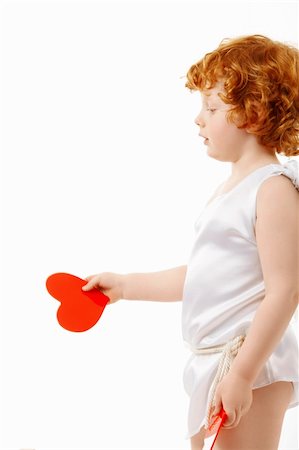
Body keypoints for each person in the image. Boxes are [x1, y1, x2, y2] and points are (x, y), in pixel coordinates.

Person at [82, 34, 299, 450]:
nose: (199, 119)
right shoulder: (233, 189)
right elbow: (202, 277)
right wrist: (126, 286)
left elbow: (285, 291)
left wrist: (242, 375)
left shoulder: (272, 190)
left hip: (250, 360)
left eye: (212, 107)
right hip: (215, 361)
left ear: (252, 114)